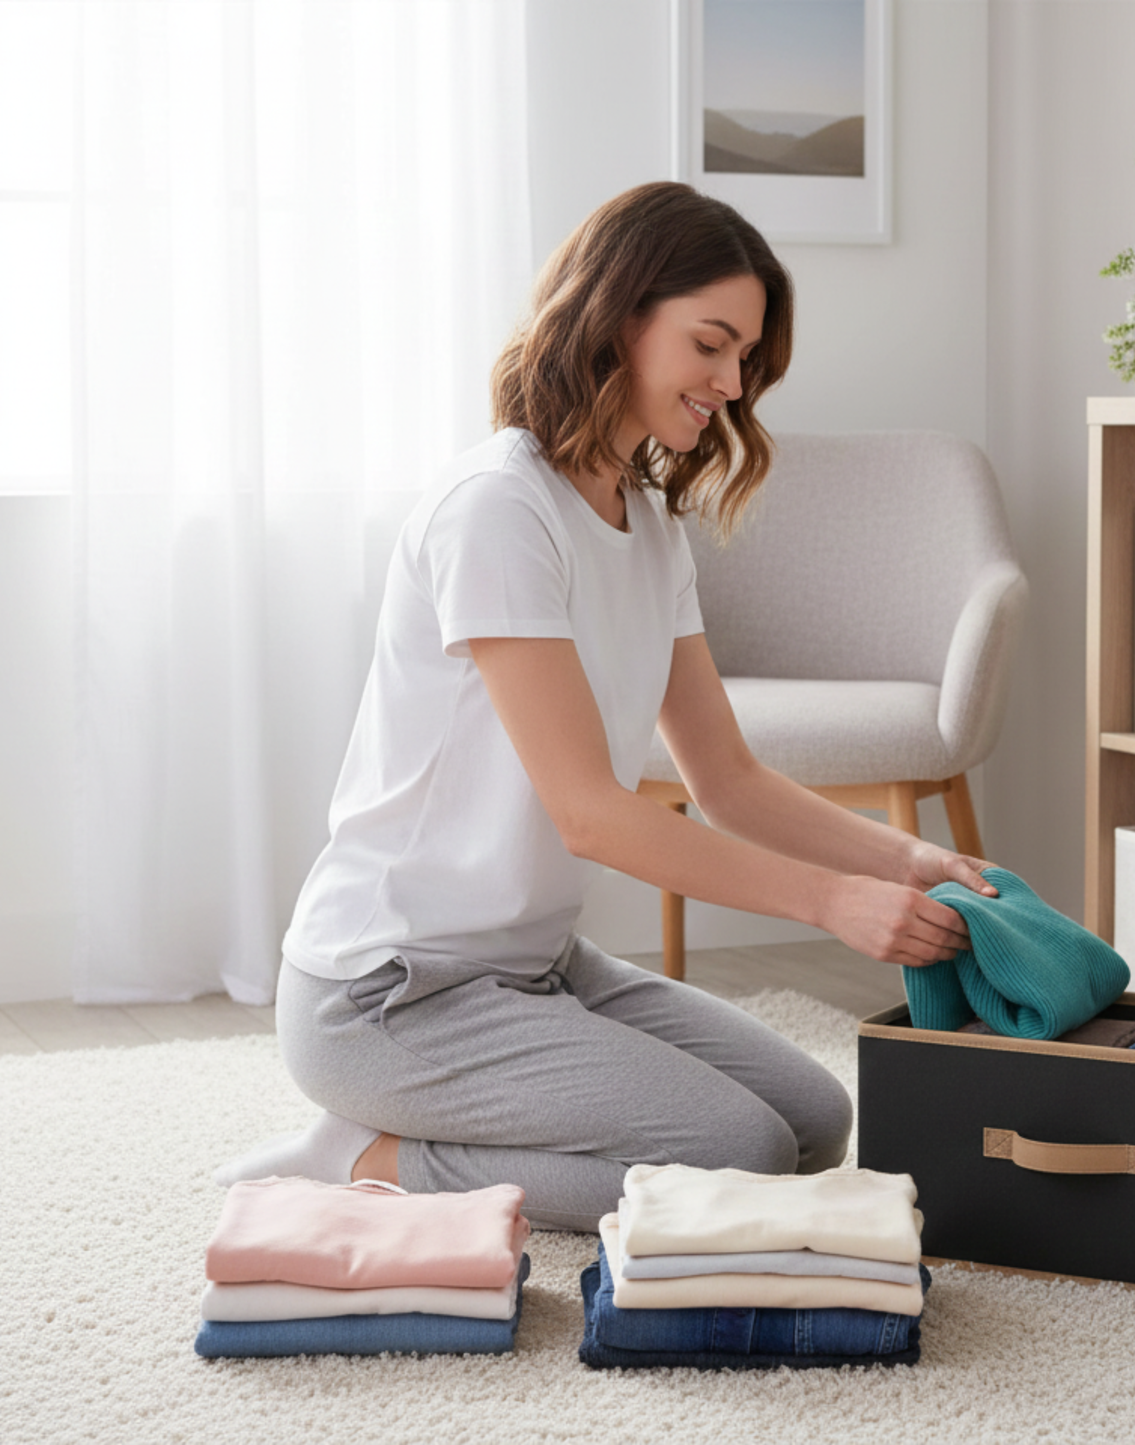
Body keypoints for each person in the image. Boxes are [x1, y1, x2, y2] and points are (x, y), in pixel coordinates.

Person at [215, 182, 996, 1230]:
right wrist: (827, 903)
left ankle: (422, 1140)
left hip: (532, 966)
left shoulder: (646, 520)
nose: (730, 384)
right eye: (709, 345)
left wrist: (901, 862)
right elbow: (590, 810)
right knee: (744, 1150)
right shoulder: (498, 509)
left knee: (812, 1119)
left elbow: (725, 778)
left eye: (746, 360)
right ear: (619, 317)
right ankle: (371, 1155)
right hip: (387, 991)